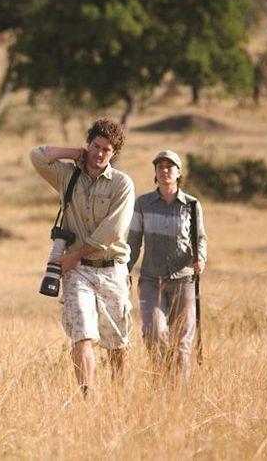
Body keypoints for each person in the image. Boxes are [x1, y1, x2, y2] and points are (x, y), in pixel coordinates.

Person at [29, 119, 135, 395]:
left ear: (114, 154)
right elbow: (37, 156)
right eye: (95, 146)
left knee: (116, 342)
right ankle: (86, 396)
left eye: (107, 149)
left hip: (112, 269)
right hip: (78, 272)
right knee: (82, 336)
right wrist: (74, 154)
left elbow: (112, 230)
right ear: (88, 145)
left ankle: (119, 398)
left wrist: (74, 256)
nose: (100, 153)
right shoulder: (67, 176)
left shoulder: (122, 184)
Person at [127, 150, 207, 381]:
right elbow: (134, 240)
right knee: (153, 332)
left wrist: (200, 257)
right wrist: (125, 269)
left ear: (179, 172)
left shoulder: (191, 205)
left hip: (184, 279)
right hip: (152, 279)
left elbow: (200, 237)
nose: (164, 171)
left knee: (182, 339)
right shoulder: (143, 203)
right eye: (160, 166)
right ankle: (160, 379)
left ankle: (177, 393)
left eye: (169, 166)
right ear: (155, 172)